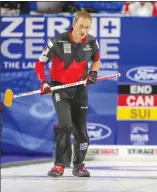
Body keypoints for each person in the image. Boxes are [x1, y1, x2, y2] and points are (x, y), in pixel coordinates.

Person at [35, 10, 101, 177]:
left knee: (81, 130)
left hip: (80, 90)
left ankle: (79, 166)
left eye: (87, 27)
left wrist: (93, 73)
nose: (84, 31)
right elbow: (39, 65)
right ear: (74, 24)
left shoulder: (92, 42)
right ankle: (59, 165)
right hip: (59, 89)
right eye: (81, 26)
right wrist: (43, 82)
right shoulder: (56, 42)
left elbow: (96, 60)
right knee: (65, 125)